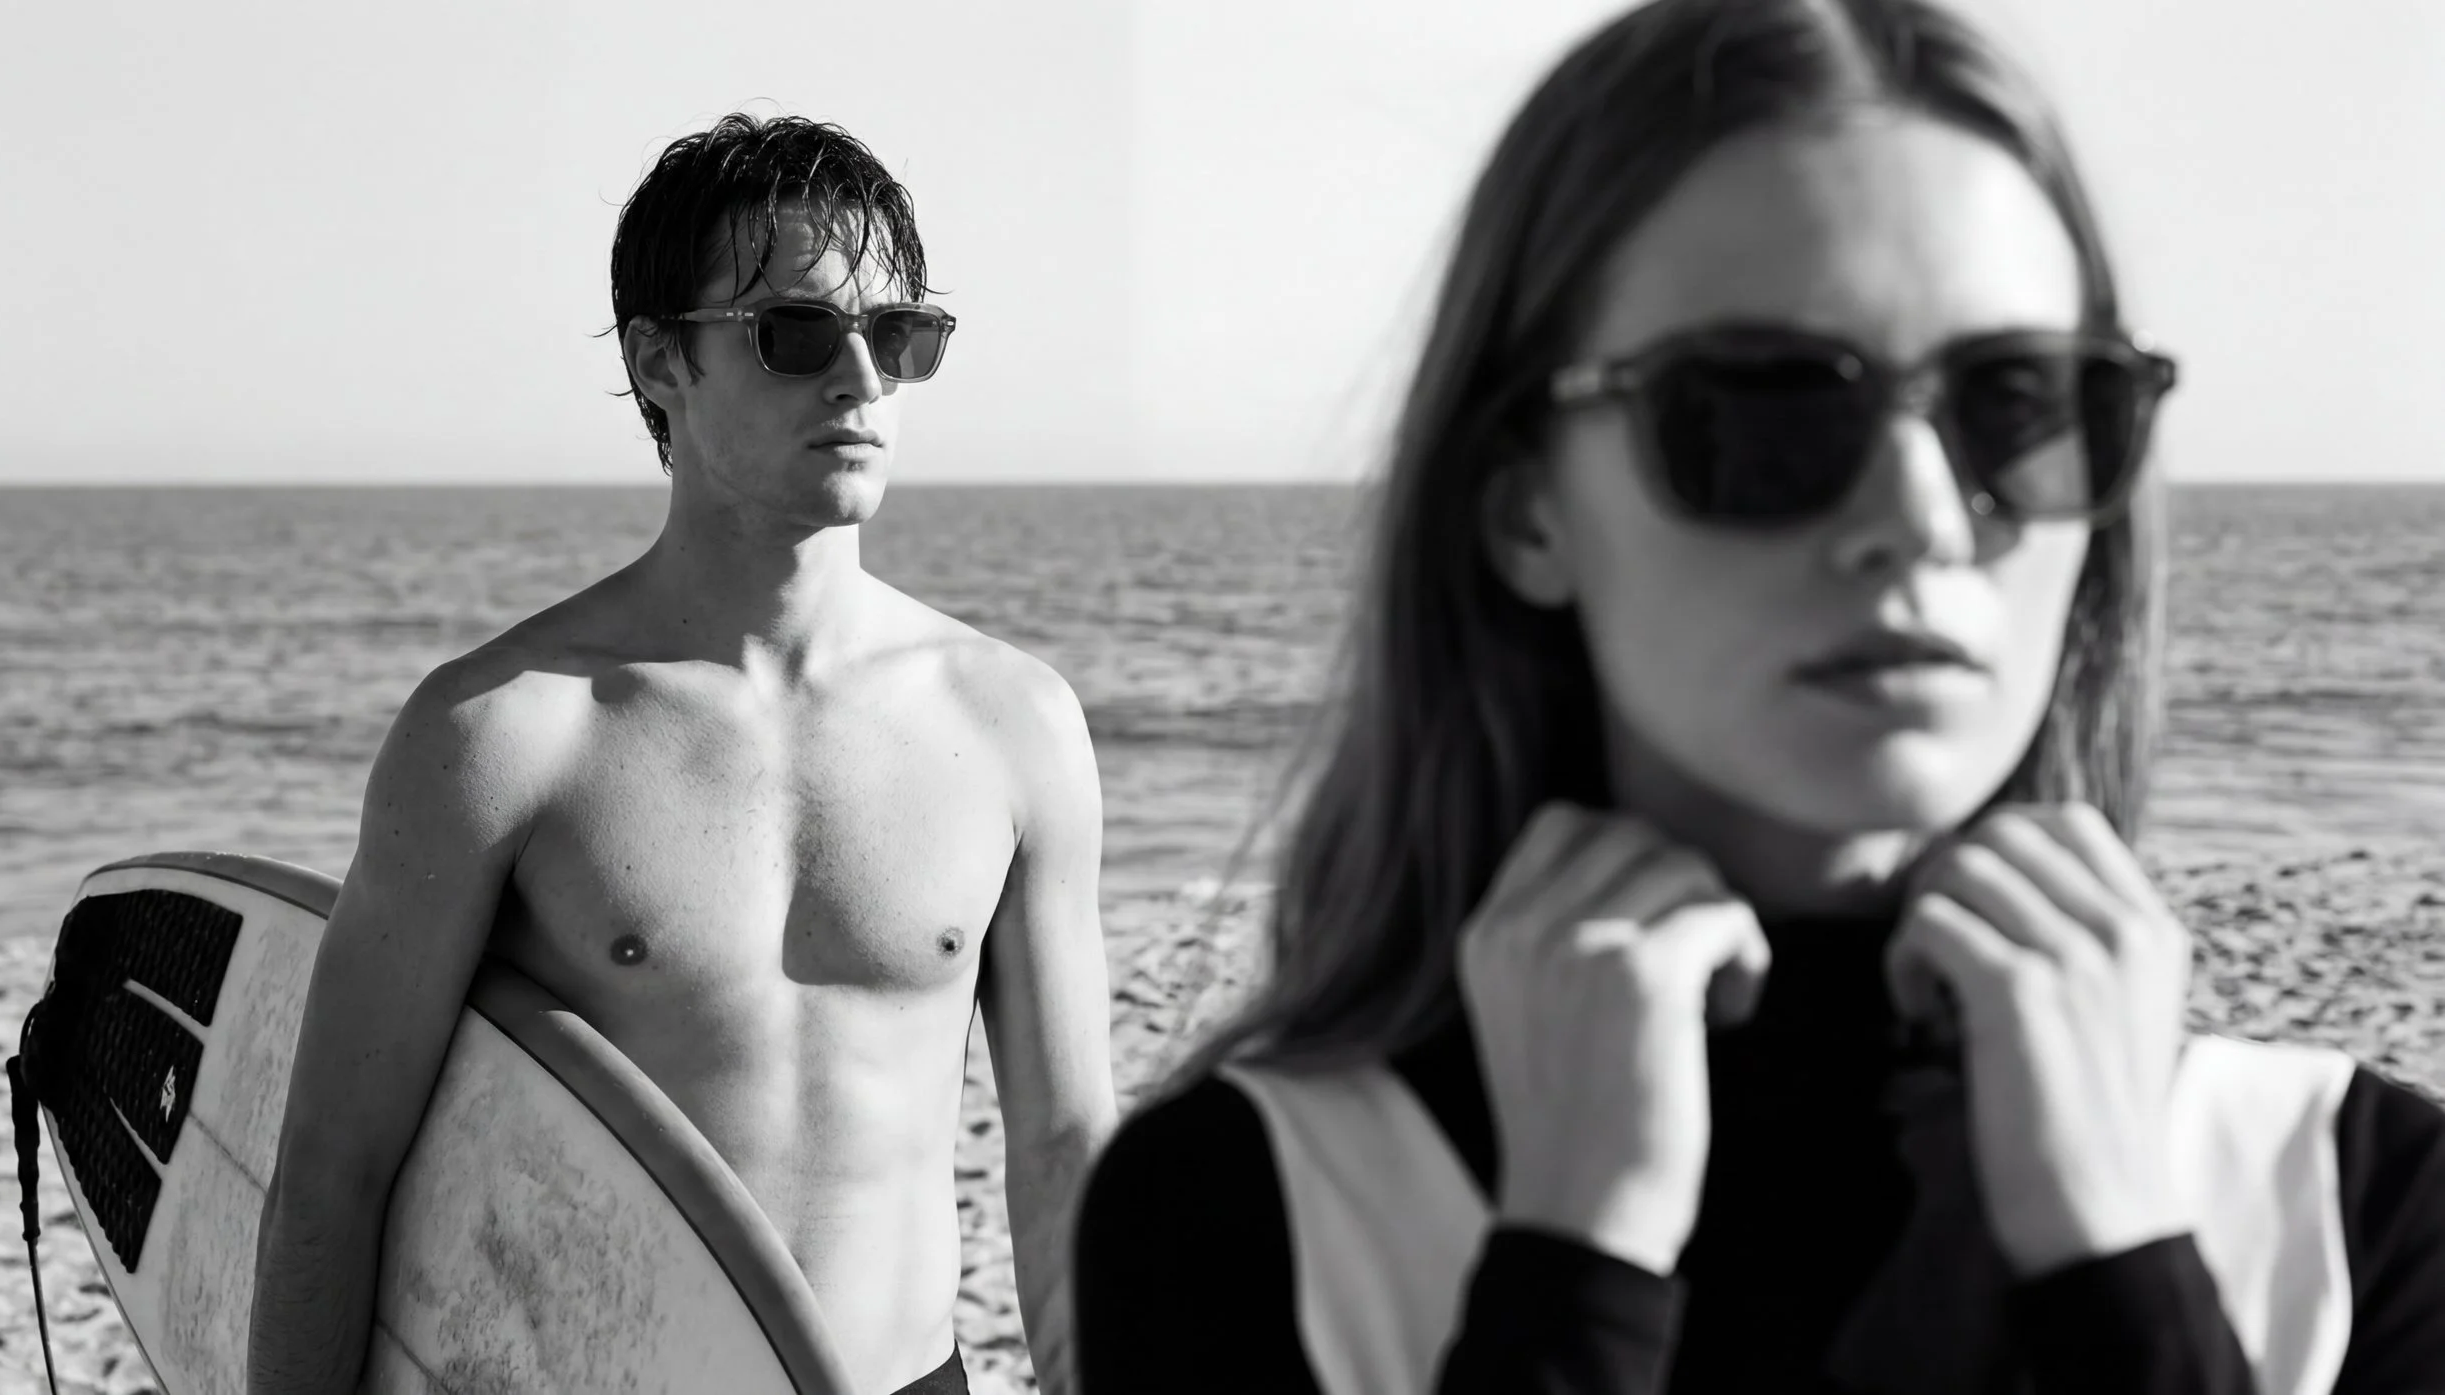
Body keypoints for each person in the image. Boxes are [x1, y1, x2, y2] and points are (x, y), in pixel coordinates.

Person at [1072, 2, 2445, 1391]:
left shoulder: (2350, 1191)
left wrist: (2122, 1257)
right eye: (1766, 408)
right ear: (1524, 505)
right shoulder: (1259, 1205)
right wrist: (1572, 1269)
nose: (1920, 518)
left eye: (2016, 402)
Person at [248, 113, 1116, 1395]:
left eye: (899, 335)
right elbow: (334, 1169)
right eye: (796, 332)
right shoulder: (504, 733)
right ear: (660, 360)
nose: (861, 381)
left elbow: (1063, 1156)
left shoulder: (1012, 724)